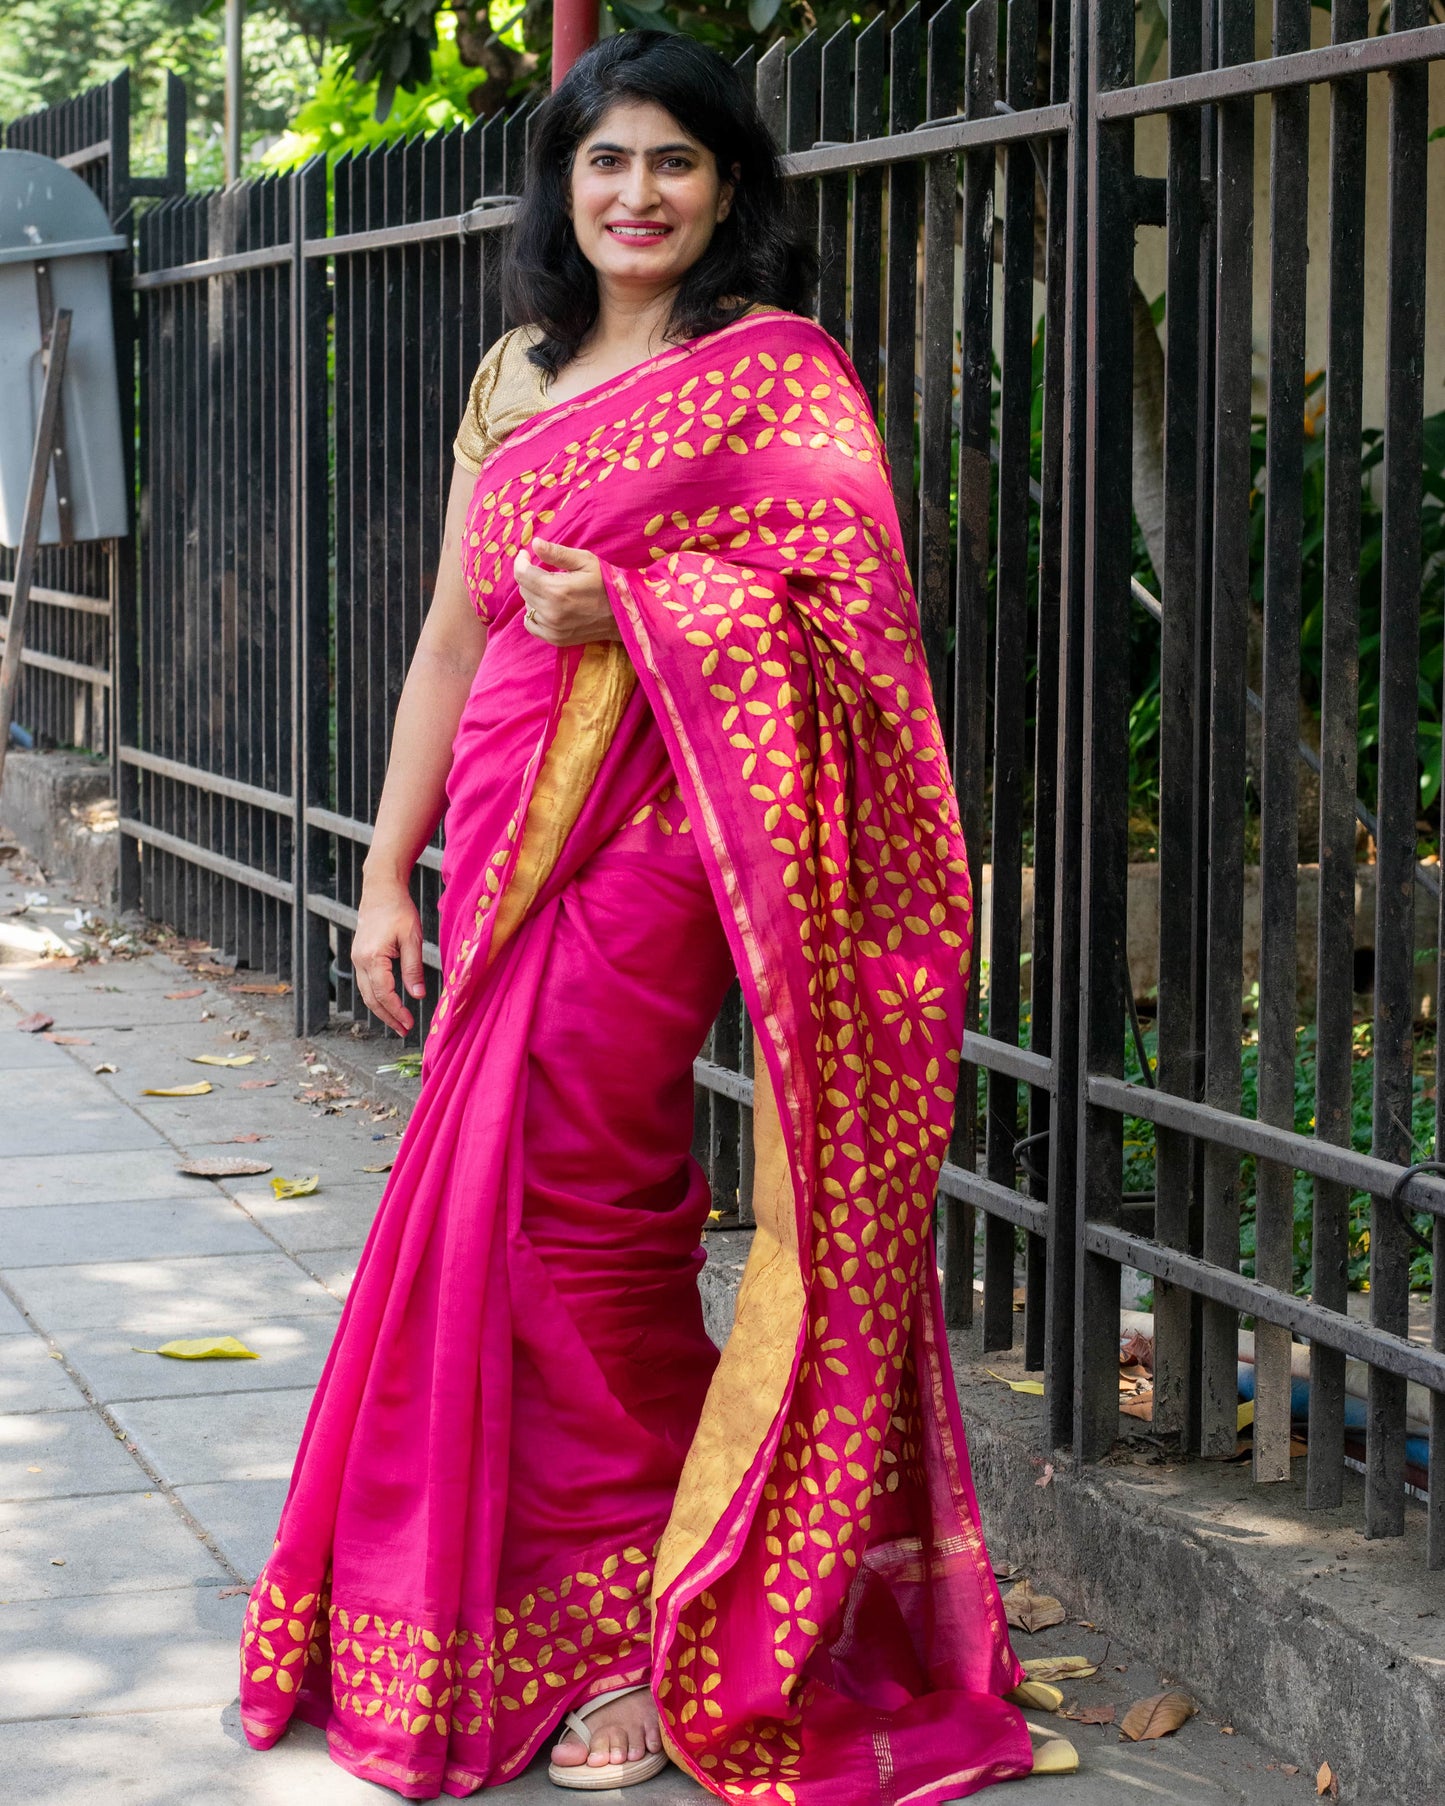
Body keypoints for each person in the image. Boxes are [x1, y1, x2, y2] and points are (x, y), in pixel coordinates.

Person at [238, 30, 1077, 1802]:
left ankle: (645, 1622)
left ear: (725, 189)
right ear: (562, 181)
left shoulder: (770, 375)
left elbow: (852, 630)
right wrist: (387, 870)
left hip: (662, 839)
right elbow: (452, 639)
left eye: (674, 164)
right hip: (499, 822)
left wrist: (641, 610)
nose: (635, 194)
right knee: (498, 1207)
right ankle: (528, 1595)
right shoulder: (514, 377)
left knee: (586, 1194)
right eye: (605, 160)